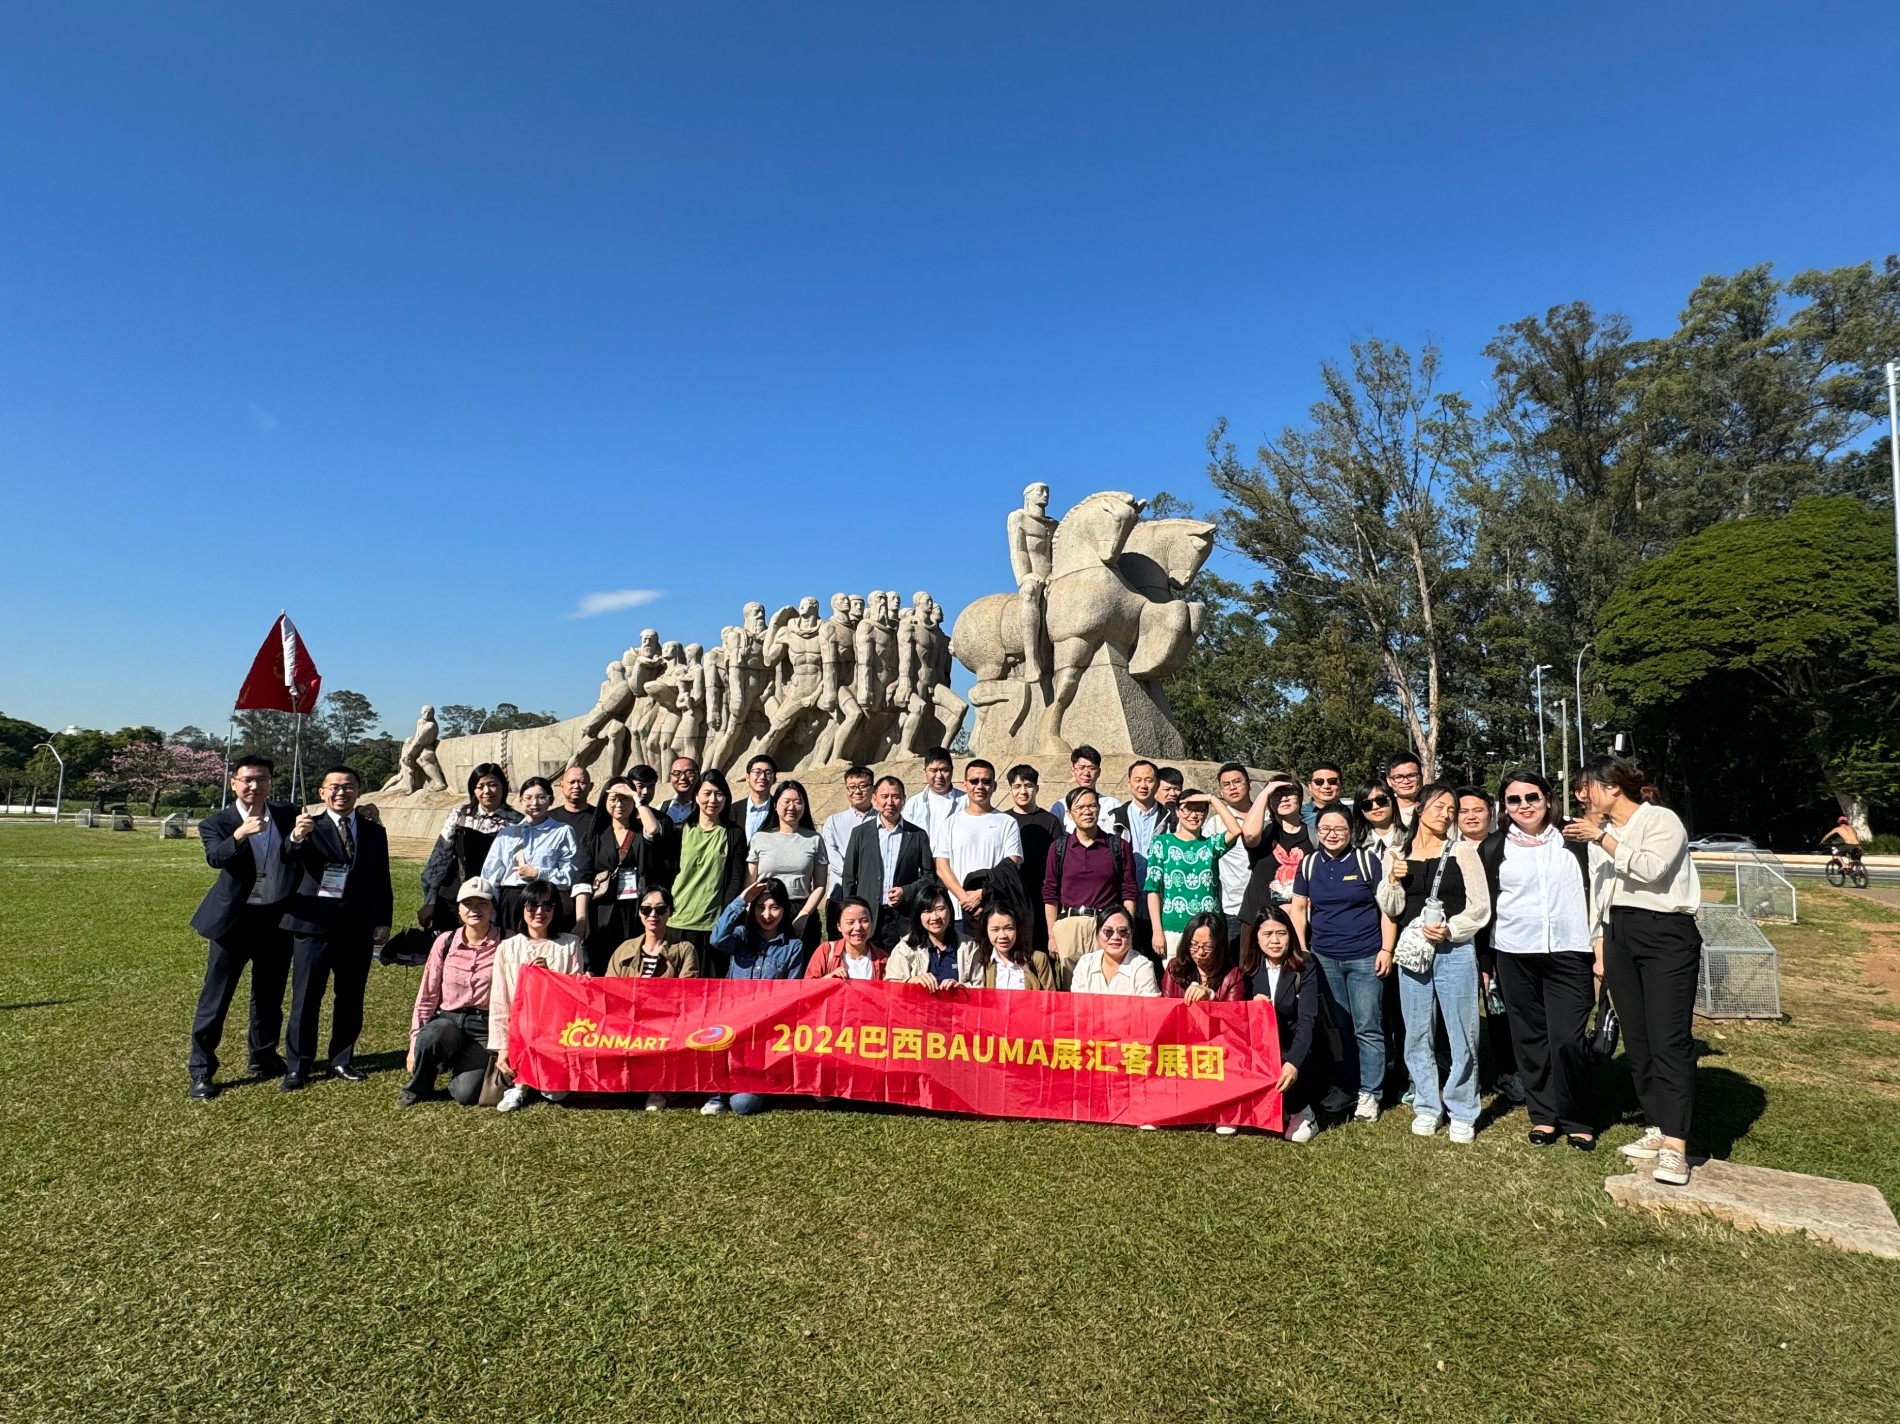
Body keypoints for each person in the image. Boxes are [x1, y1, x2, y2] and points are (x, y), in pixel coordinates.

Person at [1566, 755, 1701, 1187]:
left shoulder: (1660, 820)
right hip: (1618, 931)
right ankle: (1657, 1124)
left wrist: (1602, 839)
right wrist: (1600, 943)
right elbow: (1601, 892)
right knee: (1638, 1039)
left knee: (1668, 1039)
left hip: (1665, 931)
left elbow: (1650, 869)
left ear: (1612, 788)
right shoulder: (1603, 833)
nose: (1582, 797)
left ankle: (1676, 1145)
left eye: (1588, 788)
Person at [1476, 769, 1598, 1150]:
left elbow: (1599, 892)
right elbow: (1486, 907)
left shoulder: (1574, 839)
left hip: (1569, 950)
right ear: (1504, 806)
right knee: (1529, 1038)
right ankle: (1543, 1115)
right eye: (1514, 799)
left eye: (1532, 797)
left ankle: (1577, 1117)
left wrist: (1600, 945)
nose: (1524, 805)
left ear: (1547, 798)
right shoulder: (1494, 847)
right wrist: (1486, 960)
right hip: (1514, 953)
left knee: (1568, 1039)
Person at [1375, 782, 1492, 1144]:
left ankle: (1462, 1108)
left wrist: (1452, 929)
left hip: (1454, 952)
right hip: (1413, 953)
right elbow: (1391, 908)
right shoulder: (1396, 853)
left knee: (1463, 1032)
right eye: (1439, 807)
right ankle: (1427, 1104)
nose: (1446, 814)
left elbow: (1480, 906)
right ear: (1420, 809)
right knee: (1417, 1032)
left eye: (1451, 809)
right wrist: (1392, 880)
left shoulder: (1463, 851)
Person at [186, 754, 299, 1097]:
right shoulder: (217, 822)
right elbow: (214, 857)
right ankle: (201, 1070)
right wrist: (239, 834)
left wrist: (364, 813)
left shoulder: (286, 814)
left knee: (269, 995)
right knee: (216, 997)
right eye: (247, 779)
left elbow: (317, 828)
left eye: (261, 779)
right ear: (233, 783)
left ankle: (263, 1057)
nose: (254, 785)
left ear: (270, 783)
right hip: (234, 921)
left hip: (275, 918)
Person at [280, 766, 393, 1091]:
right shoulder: (308, 826)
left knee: (350, 997)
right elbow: (288, 855)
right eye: (334, 787)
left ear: (359, 791)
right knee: (306, 998)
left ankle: (342, 1059)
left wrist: (383, 919)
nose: (341, 792)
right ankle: (298, 1066)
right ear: (322, 792)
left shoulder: (374, 832)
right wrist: (296, 836)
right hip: (314, 926)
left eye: (348, 786)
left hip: (357, 927)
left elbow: (381, 879)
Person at [1289, 805, 1393, 1123]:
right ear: (1317, 831)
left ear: (1351, 831)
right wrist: (1303, 950)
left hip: (1365, 955)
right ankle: (1347, 1086)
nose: (1332, 834)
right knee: (1339, 1027)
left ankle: (1371, 1092)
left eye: (1339, 829)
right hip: (1324, 958)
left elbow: (1386, 908)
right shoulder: (1309, 864)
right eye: (1325, 829)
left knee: (1368, 1027)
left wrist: (1386, 949)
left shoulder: (1366, 861)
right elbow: (1298, 909)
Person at [705, 879, 807, 1115]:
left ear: (784, 909)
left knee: (743, 1105)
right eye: (760, 907)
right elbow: (716, 938)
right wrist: (741, 900)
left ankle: (751, 1085)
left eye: (774, 907)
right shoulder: (740, 936)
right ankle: (719, 1092)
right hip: (732, 1025)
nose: (767, 915)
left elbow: (790, 994)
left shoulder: (793, 946)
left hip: (765, 1033)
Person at [400, 877, 502, 1108]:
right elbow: (427, 995)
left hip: (484, 1026)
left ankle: (454, 1059)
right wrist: (414, 1044)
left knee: (465, 1095)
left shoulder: (507, 941)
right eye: (468, 904)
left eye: (482, 903)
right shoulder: (445, 942)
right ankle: (418, 1087)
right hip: (449, 1020)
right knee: (431, 1036)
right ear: (459, 910)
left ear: (493, 907)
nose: (475, 910)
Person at [491, 880, 587, 1113]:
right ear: (522, 908)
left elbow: (575, 995)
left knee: (555, 1093)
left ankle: (542, 1076)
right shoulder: (507, 947)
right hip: (520, 1031)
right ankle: (520, 1084)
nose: (539, 912)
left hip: (556, 1030)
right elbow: (499, 1000)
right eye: (532, 905)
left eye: (547, 906)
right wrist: (502, 1048)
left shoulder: (569, 945)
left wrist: (550, 975)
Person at [606, 885, 699, 1112]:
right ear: (639, 912)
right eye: (646, 909)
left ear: (670, 912)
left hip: (666, 1022)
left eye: (660, 909)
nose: (653, 915)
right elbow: (609, 991)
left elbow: (687, 993)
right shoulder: (624, 949)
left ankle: (658, 1087)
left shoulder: (685, 949)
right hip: (628, 1021)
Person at [1458, 784, 1523, 1105]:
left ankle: (1511, 1072)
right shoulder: (1450, 849)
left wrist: (1487, 956)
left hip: (1500, 942)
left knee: (1501, 1008)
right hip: (1457, 942)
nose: (1471, 816)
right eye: (1463, 811)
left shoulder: (1506, 845)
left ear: (1491, 813)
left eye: (1478, 810)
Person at [572, 775, 670, 974]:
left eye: (624, 799)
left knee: (632, 967)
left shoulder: (640, 832)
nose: (619, 804)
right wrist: (581, 921)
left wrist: (635, 796)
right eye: (614, 799)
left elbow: (653, 829)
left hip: (635, 911)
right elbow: (583, 880)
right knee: (601, 968)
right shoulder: (595, 836)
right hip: (602, 911)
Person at [1243, 906, 1320, 1143]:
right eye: (1267, 934)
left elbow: (1307, 1020)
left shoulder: (1305, 965)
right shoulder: (1248, 969)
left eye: (1281, 933)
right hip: (1260, 1047)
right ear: (1256, 938)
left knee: (1296, 1135)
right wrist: (1252, 1006)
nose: (1275, 941)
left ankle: (1304, 1112)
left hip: (1296, 1046)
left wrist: (1293, 1062)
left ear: (1290, 935)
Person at [417, 763, 520, 933]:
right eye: (480, 786)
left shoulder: (517, 822)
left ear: (503, 787)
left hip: (497, 899)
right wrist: (430, 901)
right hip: (456, 895)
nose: (487, 791)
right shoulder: (459, 815)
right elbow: (439, 859)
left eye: (493, 784)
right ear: (473, 790)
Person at [1042, 787, 1138, 969]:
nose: (1087, 811)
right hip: (1069, 925)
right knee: (1070, 983)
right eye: (1080, 807)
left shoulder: (1118, 846)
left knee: (1106, 979)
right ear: (1070, 814)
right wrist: (1052, 935)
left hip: (1106, 924)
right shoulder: (1059, 847)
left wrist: (1127, 930)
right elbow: (1050, 893)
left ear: (1099, 809)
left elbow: (1129, 892)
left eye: (1092, 806)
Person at [1143, 790, 1242, 960]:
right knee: (1176, 974)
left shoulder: (1211, 845)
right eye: (1187, 809)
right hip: (1174, 926)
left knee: (1210, 974)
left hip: (1210, 927)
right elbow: (1153, 889)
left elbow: (1235, 830)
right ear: (1177, 811)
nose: (1193, 815)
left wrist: (1211, 798)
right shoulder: (1162, 843)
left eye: (1199, 810)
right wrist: (1157, 931)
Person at [841, 775, 935, 949]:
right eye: (884, 797)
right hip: (868, 916)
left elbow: (929, 876)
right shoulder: (860, 833)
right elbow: (849, 877)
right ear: (874, 800)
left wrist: (906, 891)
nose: (890, 802)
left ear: (903, 799)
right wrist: (851, 911)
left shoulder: (917, 835)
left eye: (895, 796)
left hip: (903, 917)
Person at [479, 777, 581, 935]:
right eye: (528, 798)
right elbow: (490, 876)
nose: (534, 803)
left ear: (550, 800)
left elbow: (570, 876)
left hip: (545, 902)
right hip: (511, 900)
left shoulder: (563, 831)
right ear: (521, 801)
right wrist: (489, 913)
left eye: (541, 797)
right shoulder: (507, 834)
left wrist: (539, 874)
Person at [671, 771, 749, 973]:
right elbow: (669, 871)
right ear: (696, 796)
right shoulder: (680, 830)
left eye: (719, 794)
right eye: (707, 793)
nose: (712, 800)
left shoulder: (734, 833)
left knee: (710, 984)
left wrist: (725, 917)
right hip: (678, 920)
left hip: (713, 926)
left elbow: (736, 878)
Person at [933, 759, 1023, 928]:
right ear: (965, 785)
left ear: (994, 786)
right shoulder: (950, 823)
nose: (980, 786)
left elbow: (1012, 865)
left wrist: (982, 894)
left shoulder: (1007, 822)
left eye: (986, 781)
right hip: (957, 912)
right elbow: (942, 867)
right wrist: (965, 899)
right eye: (974, 781)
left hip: (996, 913)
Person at [747, 779, 828, 950]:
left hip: (801, 909)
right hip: (766, 909)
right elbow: (750, 882)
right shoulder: (760, 838)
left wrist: (804, 914)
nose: (792, 807)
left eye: (798, 802)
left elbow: (820, 885)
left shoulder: (814, 839)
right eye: (786, 801)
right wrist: (751, 910)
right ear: (775, 805)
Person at [1004, 764, 1063, 958]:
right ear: (1010, 789)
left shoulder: (1050, 821)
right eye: (1017, 786)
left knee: (1042, 953)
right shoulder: (1003, 820)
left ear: (1036, 788)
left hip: (1042, 897)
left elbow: (1058, 861)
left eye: (1028, 785)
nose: (1023, 791)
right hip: (1011, 896)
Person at [1212, 762, 1264, 944]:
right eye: (1226, 784)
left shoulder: (1268, 816)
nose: (1232, 788)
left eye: (1237, 782)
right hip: (1234, 908)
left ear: (1250, 785)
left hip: (1269, 905)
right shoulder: (1215, 824)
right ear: (1221, 791)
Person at [820, 766, 875, 937]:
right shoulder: (834, 821)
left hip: (872, 896)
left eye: (863, 786)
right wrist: (856, 874)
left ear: (872, 788)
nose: (857, 791)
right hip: (839, 895)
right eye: (852, 787)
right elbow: (831, 856)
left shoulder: (882, 820)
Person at [887, 883, 965, 990]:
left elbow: (979, 987)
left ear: (950, 910)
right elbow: (890, 988)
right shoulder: (904, 948)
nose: (935, 917)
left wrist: (962, 989)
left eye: (940, 909)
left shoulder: (968, 946)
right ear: (918, 915)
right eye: (927, 911)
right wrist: (911, 981)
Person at [1068, 906, 1160, 996]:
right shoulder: (1085, 963)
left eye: (1122, 931)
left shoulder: (1142, 966)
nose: (1115, 937)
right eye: (1108, 931)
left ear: (1131, 934)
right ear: (1097, 934)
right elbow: (1078, 1003)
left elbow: (1148, 1005)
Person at [966, 902, 1058, 990]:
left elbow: (1050, 996)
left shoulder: (1038, 959)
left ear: (1017, 929)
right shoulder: (981, 961)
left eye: (1008, 928)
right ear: (986, 931)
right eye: (995, 930)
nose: (1003, 936)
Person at [1164, 912, 1248, 1002]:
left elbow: (1233, 1010)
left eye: (1207, 946)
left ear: (1219, 946)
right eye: (1194, 945)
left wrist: (1211, 997)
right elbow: (1166, 1005)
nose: (1200, 952)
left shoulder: (1233, 977)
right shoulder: (1175, 969)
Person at [804, 898, 889, 980]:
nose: (858, 927)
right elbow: (808, 986)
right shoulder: (826, 951)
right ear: (839, 926)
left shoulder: (882, 959)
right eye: (850, 922)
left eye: (864, 921)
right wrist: (829, 978)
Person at [901, 746, 965, 846]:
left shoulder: (966, 801)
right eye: (933, 770)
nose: (939, 776)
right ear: (925, 771)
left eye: (944, 770)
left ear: (952, 770)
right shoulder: (914, 804)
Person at [1050, 745, 1122, 830]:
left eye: (1091, 768)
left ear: (1098, 772)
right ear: (1073, 771)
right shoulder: (1060, 807)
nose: (1086, 773)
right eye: (1081, 768)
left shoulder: (1112, 805)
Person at [1350, 777, 1404, 857]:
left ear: (1392, 801)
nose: (1375, 807)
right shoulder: (1354, 844)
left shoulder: (1411, 837)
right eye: (1366, 804)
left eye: (1381, 800)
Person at [548, 764, 595, 838]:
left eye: (582, 782)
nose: (576, 786)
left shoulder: (599, 817)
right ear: (562, 786)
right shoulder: (549, 819)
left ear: (591, 786)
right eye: (572, 782)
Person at [740, 754, 778, 844]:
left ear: (774, 779)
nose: (762, 777)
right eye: (757, 772)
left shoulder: (780, 809)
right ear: (747, 777)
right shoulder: (733, 810)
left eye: (768, 773)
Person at [1300, 763, 1345, 833]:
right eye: (1319, 782)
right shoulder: (1298, 815)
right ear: (1310, 786)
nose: (1326, 786)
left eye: (1332, 781)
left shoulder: (1354, 815)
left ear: (1341, 784)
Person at [1384, 752, 1424, 829]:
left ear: (1421, 777)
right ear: (1389, 781)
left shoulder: (1432, 808)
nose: (1406, 781)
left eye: (1411, 775)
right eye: (1398, 777)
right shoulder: (1382, 811)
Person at [660, 756, 701, 824]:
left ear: (697, 776)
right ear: (670, 778)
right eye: (677, 773)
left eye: (689, 773)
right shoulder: (662, 808)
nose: (683, 777)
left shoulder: (706, 807)